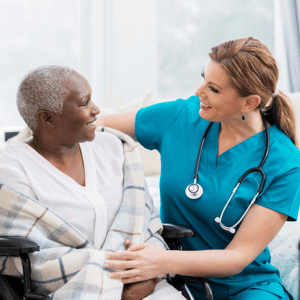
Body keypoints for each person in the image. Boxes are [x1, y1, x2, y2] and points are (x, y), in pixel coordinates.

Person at [98, 37, 300, 299]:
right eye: (203, 78)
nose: (198, 92)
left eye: (213, 89)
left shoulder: (285, 162)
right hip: (171, 282)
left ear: (249, 103)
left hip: (243, 287)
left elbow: (238, 257)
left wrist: (162, 261)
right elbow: (95, 126)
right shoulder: (181, 116)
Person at [0, 66, 186, 300]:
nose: (96, 109)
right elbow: (35, 258)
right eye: (84, 103)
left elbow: (145, 224)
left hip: (145, 283)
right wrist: (119, 287)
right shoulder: (12, 167)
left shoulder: (113, 146)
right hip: (72, 290)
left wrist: (146, 278)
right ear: (47, 118)